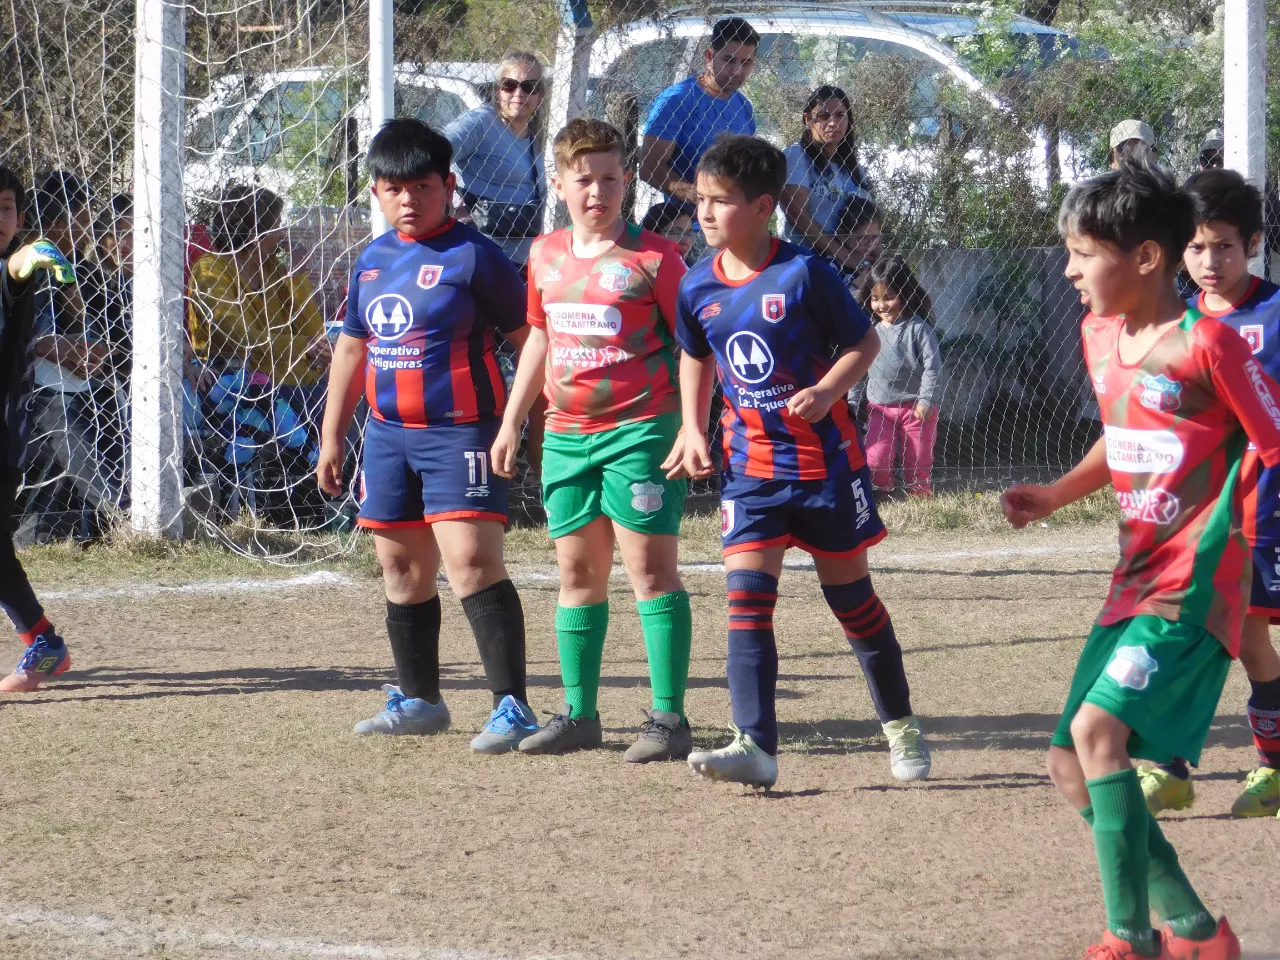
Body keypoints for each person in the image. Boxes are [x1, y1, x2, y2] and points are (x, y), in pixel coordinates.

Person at [1001, 164, 1275, 960]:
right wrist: (1058, 494)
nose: (1069, 269)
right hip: (1134, 581)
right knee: (1066, 764)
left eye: (1083, 252)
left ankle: (1131, 940)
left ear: (1147, 258)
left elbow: (1272, 439)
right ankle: (1198, 931)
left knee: (1096, 734)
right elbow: (1124, 435)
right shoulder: (1099, 336)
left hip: (1195, 587)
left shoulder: (1209, 343)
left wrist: (1234, 527)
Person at [669, 134, 931, 789]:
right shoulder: (697, 284)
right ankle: (754, 745)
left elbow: (864, 343)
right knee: (746, 604)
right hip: (749, 471)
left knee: (854, 604)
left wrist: (826, 390)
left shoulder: (805, 273)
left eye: (720, 202)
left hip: (825, 473)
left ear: (763, 208)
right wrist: (691, 429)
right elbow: (696, 354)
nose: (704, 213)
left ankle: (901, 728)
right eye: (700, 200)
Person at [317, 118, 537, 753]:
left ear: (448, 184)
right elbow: (353, 349)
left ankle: (512, 706)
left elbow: (532, 345)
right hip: (388, 438)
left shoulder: (476, 256)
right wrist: (334, 436)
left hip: (462, 434)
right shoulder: (373, 260)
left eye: (421, 185)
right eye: (392, 188)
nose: (407, 200)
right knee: (401, 567)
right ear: (377, 193)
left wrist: (521, 424)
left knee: (471, 561)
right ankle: (420, 700)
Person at [492, 118, 694, 762]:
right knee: (577, 574)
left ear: (626, 180)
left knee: (651, 573)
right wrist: (513, 420)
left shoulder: (656, 257)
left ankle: (669, 719)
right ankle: (580, 714)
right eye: (584, 180)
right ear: (558, 184)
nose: (598, 192)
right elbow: (539, 340)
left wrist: (693, 424)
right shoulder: (543, 254)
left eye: (610, 178)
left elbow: (693, 346)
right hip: (566, 437)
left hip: (641, 432)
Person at [1138, 168, 1280, 821]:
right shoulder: (1178, 322)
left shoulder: (1274, 314)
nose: (1209, 260)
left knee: (1248, 641)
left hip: (1264, 511)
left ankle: (1271, 771)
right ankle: (1170, 771)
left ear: (1252, 241)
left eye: (1223, 245)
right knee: (1183, 633)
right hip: (1197, 516)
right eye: (1195, 247)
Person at [0, 164, 79, 691]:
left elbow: (15, 271)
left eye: (4, 207)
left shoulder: (13, 271)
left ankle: (45, 643)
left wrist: (30, 254)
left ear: (19, 218)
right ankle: (45, 643)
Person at [188, 185, 328, 397]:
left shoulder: (272, 270)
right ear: (256, 233)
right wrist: (302, 346)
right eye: (278, 226)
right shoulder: (210, 270)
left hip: (293, 379)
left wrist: (297, 276)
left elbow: (314, 331)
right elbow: (237, 337)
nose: (283, 234)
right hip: (241, 386)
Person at [639, 16, 758, 207]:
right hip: (685, 227)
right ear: (710, 57)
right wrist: (704, 200)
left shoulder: (744, 107)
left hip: (733, 223)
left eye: (746, 63)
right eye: (729, 60)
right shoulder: (677, 99)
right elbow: (649, 168)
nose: (737, 71)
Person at [444, 51, 547, 267]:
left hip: (523, 263)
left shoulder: (534, 138)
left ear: (540, 95)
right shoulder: (482, 122)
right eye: (509, 85)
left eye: (529, 87)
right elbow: (436, 149)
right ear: (497, 91)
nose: (519, 93)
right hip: (479, 258)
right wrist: (447, 205)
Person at [850, 256, 942, 497]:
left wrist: (926, 400)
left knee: (917, 460)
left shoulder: (918, 328)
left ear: (906, 294)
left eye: (889, 296)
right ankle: (883, 496)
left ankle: (920, 497)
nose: (882, 305)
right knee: (876, 460)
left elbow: (933, 367)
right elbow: (858, 371)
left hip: (916, 409)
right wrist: (852, 403)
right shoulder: (869, 334)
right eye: (875, 298)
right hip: (880, 410)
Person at [779, 85, 875, 276]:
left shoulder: (854, 169)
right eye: (823, 116)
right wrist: (843, 255)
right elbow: (797, 214)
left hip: (858, 267)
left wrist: (877, 263)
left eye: (840, 115)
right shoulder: (796, 156)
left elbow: (873, 222)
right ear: (808, 119)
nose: (833, 123)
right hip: (808, 264)